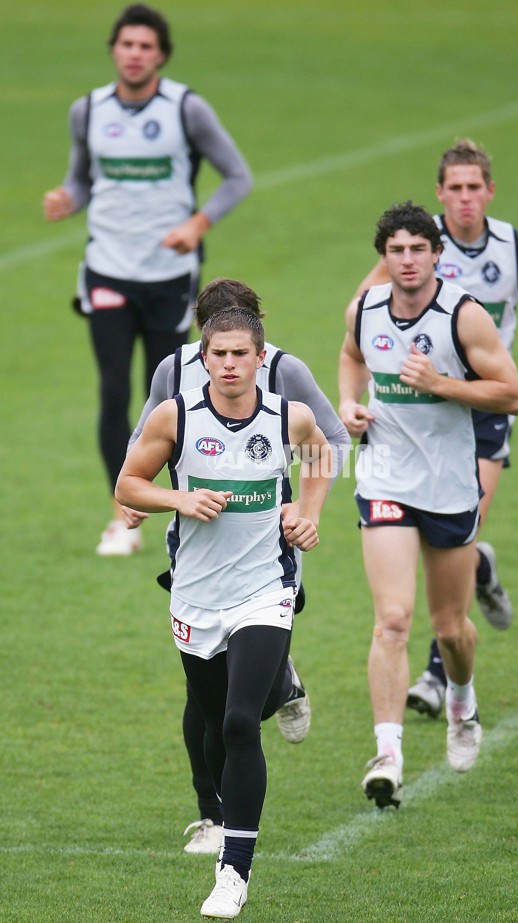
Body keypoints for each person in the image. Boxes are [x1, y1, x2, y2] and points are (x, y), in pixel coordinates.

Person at [116, 308, 331, 918]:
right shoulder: (175, 417)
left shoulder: (290, 417)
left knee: (239, 725)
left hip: (265, 588)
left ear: (261, 358)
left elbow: (320, 457)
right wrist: (177, 498)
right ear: (203, 358)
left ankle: (233, 870)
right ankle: (283, 685)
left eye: (241, 354)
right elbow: (128, 485)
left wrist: (306, 513)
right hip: (195, 594)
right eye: (220, 354)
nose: (230, 364)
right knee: (214, 724)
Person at [353, 140, 518, 718]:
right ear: (440, 193)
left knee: (461, 528)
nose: (466, 198)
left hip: (482, 410)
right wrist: (362, 388)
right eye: (456, 188)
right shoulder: (415, 245)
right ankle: (480, 573)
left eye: (475, 187)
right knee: (439, 550)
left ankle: (436, 672)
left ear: (490, 192)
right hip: (416, 417)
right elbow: (364, 310)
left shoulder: (513, 248)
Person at [43, 3, 252, 556]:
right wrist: (68, 198)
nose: (134, 54)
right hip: (107, 269)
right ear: (114, 50)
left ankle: (180, 501)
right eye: (126, 44)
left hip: (169, 276)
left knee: (167, 395)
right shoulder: (88, 111)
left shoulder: (186, 109)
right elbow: (82, 179)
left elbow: (237, 176)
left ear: (161, 55)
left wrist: (197, 224)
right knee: (113, 389)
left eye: (145, 46)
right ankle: (122, 514)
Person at [339, 201, 518, 807]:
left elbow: (512, 395)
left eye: (418, 249)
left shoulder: (463, 316)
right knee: (393, 619)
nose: (407, 260)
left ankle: (462, 703)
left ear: (436, 255)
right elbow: (352, 356)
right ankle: (387, 753)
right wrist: (348, 404)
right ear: (384, 256)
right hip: (385, 478)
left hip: (448, 485)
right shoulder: (365, 309)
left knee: (450, 630)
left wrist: (439, 384)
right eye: (396, 250)